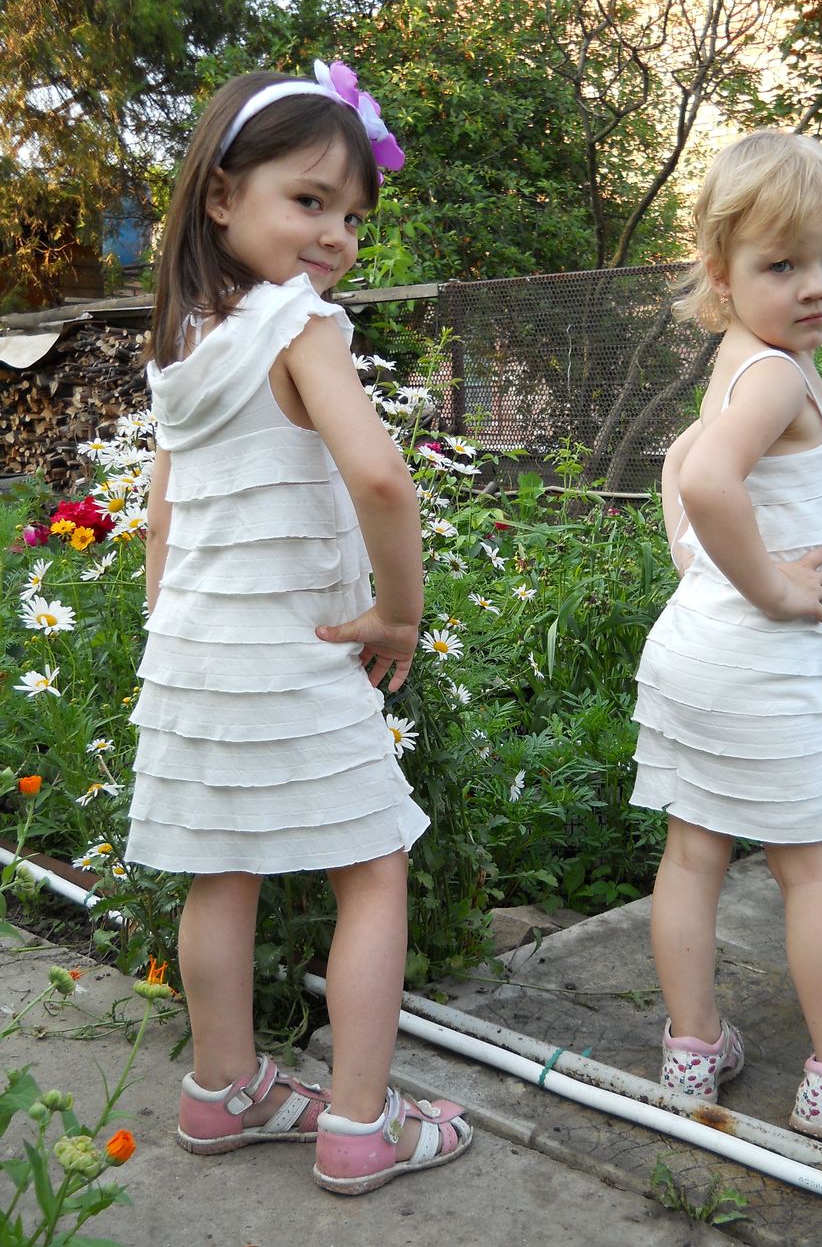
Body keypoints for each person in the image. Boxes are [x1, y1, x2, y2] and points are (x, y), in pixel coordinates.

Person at [125, 58, 471, 1194]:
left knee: (219, 874)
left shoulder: (184, 340)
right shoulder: (300, 326)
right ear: (222, 197)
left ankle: (222, 1092)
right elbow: (383, 479)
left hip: (194, 658)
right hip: (297, 653)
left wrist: (172, 639)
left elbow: (161, 519)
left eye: (353, 216)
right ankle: (362, 1123)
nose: (336, 236)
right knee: (371, 872)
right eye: (310, 200)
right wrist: (400, 614)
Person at [630, 130, 822, 1141]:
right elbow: (710, 478)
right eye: (781, 266)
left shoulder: (740, 362)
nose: (816, 286)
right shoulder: (781, 378)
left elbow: (680, 461)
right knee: (813, 868)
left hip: (691, 652)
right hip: (752, 660)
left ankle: (692, 1048)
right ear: (721, 273)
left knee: (692, 855)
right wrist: (775, 591)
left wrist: (694, 561)